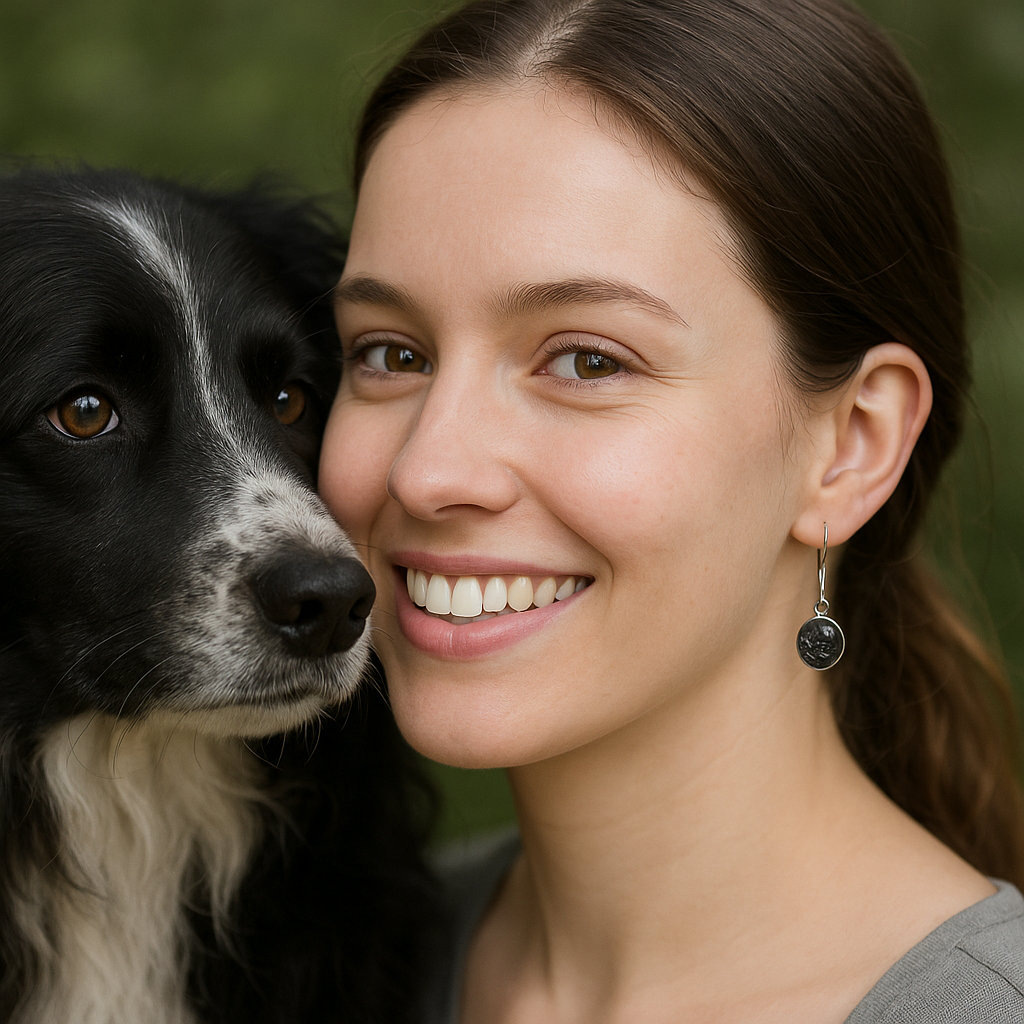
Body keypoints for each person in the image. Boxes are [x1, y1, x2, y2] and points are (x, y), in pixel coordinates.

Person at [319, 0, 1024, 1020]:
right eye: (391, 353)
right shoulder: (321, 971)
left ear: (852, 443)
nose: (428, 470)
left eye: (586, 359)